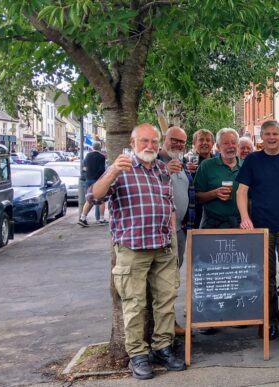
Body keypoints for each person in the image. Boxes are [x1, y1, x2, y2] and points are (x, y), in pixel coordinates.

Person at [88, 124, 185, 379]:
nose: (149, 146)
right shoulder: (121, 168)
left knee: (165, 301)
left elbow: (169, 204)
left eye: (154, 141)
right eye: (144, 141)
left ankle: (163, 348)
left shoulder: (163, 170)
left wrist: (172, 236)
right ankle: (138, 355)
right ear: (133, 143)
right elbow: (95, 196)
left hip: (163, 247)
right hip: (133, 248)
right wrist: (111, 172)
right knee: (134, 304)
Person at [236, 120, 279, 346]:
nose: (273, 137)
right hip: (261, 228)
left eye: (276, 133)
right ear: (261, 137)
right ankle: (270, 321)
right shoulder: (253, 160)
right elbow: (242, 191)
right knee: (266, 277)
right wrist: (245, 218)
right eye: (268, 134)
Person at [157, 126, 194, 335]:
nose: (178, 144)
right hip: (161, 232)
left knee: (173, 278)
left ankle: (169, 323)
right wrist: (164, 171)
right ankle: (164, 326)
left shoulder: (182, 164)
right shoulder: (155, 163)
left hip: (179, 230)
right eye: (174, 140)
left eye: (182, 141)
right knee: (164, 280)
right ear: (165, 139)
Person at [195, 128, 242, 229]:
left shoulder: (245, 166)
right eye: (226, 143)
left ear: (238, 145)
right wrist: (215, 193)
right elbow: (197, 197)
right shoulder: (207, 165)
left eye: (233, 143)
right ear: (218, 147)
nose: (231, 146)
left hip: (239, 224)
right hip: (212, 225)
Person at [78, 141, 107, 226]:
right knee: (101, 199)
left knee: (89, 199)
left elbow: (84, 167)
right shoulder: (102, 157)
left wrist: (87, 175)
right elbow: (102, 170)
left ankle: (83, 218)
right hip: (97, 180)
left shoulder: (88, 155)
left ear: (93, 147)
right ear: (100, 147)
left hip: (88, 179)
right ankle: (101, 219)